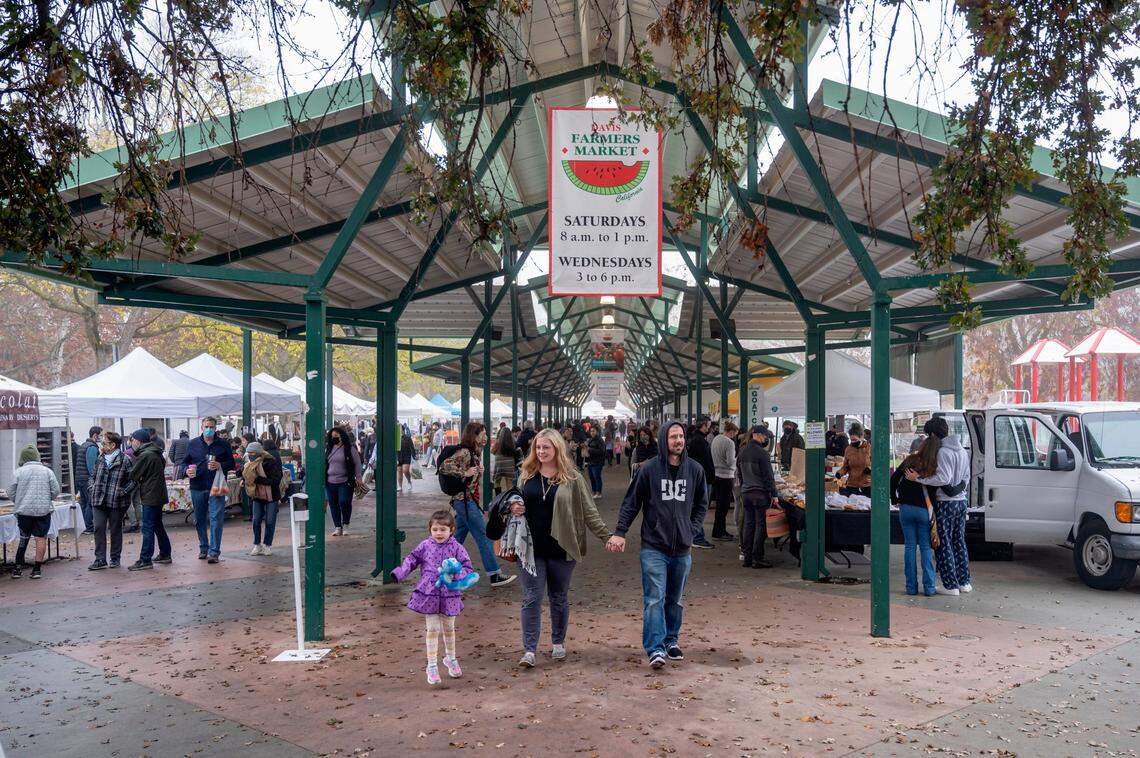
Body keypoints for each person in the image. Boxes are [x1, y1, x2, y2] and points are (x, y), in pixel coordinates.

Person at [510, 429, 616, 667]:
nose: (541, 452)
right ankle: (529, 650)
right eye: (538, 448)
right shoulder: (526, 475)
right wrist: (513, 507)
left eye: (546, 447)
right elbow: (514, 502)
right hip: (530, 548)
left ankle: (558, 642)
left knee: (558, 597)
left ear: (557, 448)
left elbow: (590, 512)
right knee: (531, 598)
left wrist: (606, 537)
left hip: (562, 547)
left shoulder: (573, 477)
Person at [611, 421, 708, 669]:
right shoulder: (650, 470)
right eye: (673, 436)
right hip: (654, 547)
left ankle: (671, 640)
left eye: (681, 436)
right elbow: (631, 502)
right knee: (654, 598)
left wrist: (692, 529)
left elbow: (701, 504)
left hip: (682, 549)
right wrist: (620, 531)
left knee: (674, 599)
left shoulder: (695, 470)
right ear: (664, 440)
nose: (678, 440)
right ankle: (655, 648)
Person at [391, 510, 476, 685]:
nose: (438, 533)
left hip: (450, 594)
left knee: (449, 627)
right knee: (432, 629)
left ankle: (451, 658)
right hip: (429, 593)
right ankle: (431, 666)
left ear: (451, 530)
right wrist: (400, 573)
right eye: (435, 529)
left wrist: (457, 576)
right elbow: (411, 559)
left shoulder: (457, 548)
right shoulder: (424, 546)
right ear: (430, 529)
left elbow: (468, 567)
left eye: (443, 529)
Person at [437, 421, 515, 587]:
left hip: (465, 501)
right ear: (475, 435)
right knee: (484, 537)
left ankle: (442, 569)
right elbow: (444, 466)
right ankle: (494, 574)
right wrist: (465, 472)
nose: (486, 437)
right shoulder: (465, 452)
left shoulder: (474, 452)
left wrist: (476, 470)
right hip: (465, 502)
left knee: (456, 539)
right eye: (483, 434)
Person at [906, 416, 972, 596]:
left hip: (945, 503)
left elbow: (943, 478)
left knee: (943, 544)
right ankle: (964, 581)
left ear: (933, 434)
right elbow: (966, 478)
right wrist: (958, 489)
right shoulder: (962, 451)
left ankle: (950, 585)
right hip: (961, 501)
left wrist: (918, 478)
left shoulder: (943, 452)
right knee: (959, 541)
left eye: (928, 435)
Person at [178, 416, 235, 563]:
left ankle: (214, 552)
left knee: (216, 519)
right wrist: (186, 471)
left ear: (215, 428)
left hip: (216, 485)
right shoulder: (193, 444)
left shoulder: (223, 444)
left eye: (212, 427)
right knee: (199, 519)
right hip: (197, 486)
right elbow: (184, 463)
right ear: (202, 428)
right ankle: (204, 546)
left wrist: (220, 465)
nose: (209, 429)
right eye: (206, 427)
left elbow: (232, 463)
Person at [891, 437, 939, 596]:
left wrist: (895, 498)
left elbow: (893, 479)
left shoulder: (910, 460)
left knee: (910, 547)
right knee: (925, 548)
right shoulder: (933, 465)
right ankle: (929, 588)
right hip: (924, 510)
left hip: (905, 509)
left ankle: (911, 588)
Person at [9, 445, 61, 579]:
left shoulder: (18, 472)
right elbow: (55, 491)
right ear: (37, 457)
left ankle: (17, 568)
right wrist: (48, 499)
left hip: (24, 512)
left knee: (24, 537)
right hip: (43, 511)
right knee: (40, 538)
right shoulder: (47, 471)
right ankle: (37, 569)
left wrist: (18, 501)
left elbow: (11, 491)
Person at [127, 429, 172, 571]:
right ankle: (165, 553)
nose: (131, 442)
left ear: (138, 441)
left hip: (150, 495)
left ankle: (145, 559)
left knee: (148, 528)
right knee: (157, 525)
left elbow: (133, 474)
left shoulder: (145, 455)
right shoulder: (156, 452)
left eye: (132, 440)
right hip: (157, 494)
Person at [87, 431, 132, 570]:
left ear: (113, 445)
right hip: (98, 499)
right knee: (99, 528)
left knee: (115, 530)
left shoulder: (125, 460)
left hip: (116, 501)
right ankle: (100, 559)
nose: (102, 445)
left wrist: (123, 492)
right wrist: (91, 487)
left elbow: (133, 481)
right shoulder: (100, 458)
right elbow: (93, 475)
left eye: (104, 442)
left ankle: (115, 558)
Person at [736, 425, 778, 568]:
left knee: (749, 525)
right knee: (761, 526)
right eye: (765, 436)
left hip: (746, 493)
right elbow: (768, 476)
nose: (765, 439)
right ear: (758, 435)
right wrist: (774, 494)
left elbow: (739, 474)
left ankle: (747, 557)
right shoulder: (762, 453)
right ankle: (757, 558)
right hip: (759, 494)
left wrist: (744, 487)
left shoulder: (742, 451)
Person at [243, 442, 282, 556]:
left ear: (259, 452)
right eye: (248, 453)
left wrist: (257, 479)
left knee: (270, 521)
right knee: (256, 520)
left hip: (272, 496)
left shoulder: (271, 461)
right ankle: (257, 544)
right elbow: (245, 474)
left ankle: (267, 545)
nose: (250, 455)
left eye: (252, 453)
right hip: (257, 495)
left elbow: (275, 481)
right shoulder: (249, 464)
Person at [325, 427, 363, 535]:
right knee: (333, 504)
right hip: (330, 481)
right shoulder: (329, 449)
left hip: (345, 481)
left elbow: (357, 464)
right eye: (332, 437)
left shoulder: (350, 449)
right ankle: (338, 527)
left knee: (344, 502)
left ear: (342, 436)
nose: (334, 439)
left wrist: (359, 477)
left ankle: (346, 524)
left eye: (336, 436)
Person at [685, 417, 716, 549]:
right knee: (700, 508)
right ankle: (697, 537)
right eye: (708, 425)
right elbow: (702, 462)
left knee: (697, 507)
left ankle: (694, 536)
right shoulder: (699, 441)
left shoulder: (695, 439)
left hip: (699, 478)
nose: (710, 428)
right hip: (702, 479)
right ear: (703, 425)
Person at [710, 421, 738, 541]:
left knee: (719, 506)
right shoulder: (729, 443)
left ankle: (718, 530)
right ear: (731, 432)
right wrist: (739, 459)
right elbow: (730, 461)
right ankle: (720, 532)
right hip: (727, 477)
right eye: (734, 434)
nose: (734, 436)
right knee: (724, 506)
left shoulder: (716, 439)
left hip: (716, 475)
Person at [75, 426, 101, 534]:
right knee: (90, 503)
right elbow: (92, 467)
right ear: (95, 435)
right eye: (100, 435)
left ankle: (82, 526)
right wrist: (95, 479)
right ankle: (88, 527)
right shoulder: (92, 447)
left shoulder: (83, 445)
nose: (101, 438)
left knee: (84, 503)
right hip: (87, 479)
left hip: (80, 477)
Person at [838, 423, 872, 497]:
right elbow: (845, 467)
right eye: (851, 440)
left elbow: (877, 464)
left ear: (861, 437)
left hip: (866, 486)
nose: (853, 442)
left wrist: (870, 469)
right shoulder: (848, 449)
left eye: (855, 440)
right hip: (851, 486)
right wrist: (839, 473)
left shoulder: (870, 448)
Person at [491, 426, 517, 495]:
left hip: (499, 464)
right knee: (509, 482)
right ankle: (510, 497)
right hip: (509, 464)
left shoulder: (498, 442)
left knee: (497, 481)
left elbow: (492, 451)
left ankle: (498, 496)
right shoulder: (513, 442)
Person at [585, 426, 606, 498]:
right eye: (591, 431)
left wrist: (590, 449)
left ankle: (598, 492)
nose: (592, 432)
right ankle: (594, 492)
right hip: (590, 462)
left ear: (597, 431)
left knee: (597, 477)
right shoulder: (590, 440)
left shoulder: (600, 440)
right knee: (591, 478)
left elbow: (602, 451)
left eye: (593, 431)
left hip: (597, 462)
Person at [398, 429, 416, 494]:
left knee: (405, 470)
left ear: (403, 430)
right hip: (398, 456)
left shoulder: (407, 438)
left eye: (400, 430)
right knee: (399, 471)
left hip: (406, 456)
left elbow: (412, 447)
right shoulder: (395, 438)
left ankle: (409, 481)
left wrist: (414, 455)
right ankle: (400, 486)